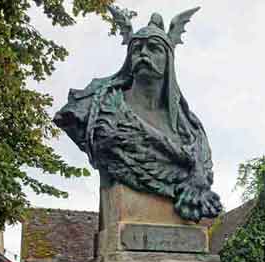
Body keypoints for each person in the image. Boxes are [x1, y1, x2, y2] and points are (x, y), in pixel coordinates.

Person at [54, 7, 222, 223]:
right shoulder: (98, 107)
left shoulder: (193, 131)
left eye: (153, 48)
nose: (143, 54)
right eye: (137, 49)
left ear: (169, 59)